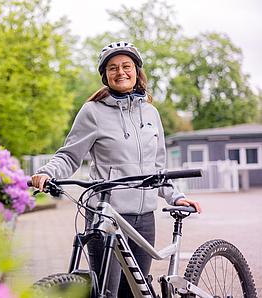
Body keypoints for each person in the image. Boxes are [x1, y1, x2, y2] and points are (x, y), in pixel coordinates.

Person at [31, 41, 202, 297]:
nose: (120, 72)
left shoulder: (151, 113)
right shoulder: (92, 112)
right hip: (106, 218)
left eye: (126, 66)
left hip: (144, 218)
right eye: (113, 68)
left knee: (137, 290)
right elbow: (69, 155)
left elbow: (159, 168)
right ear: (105, 76)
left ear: (137, 71)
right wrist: (47, 173)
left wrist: (175, 196)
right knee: (106, 291)